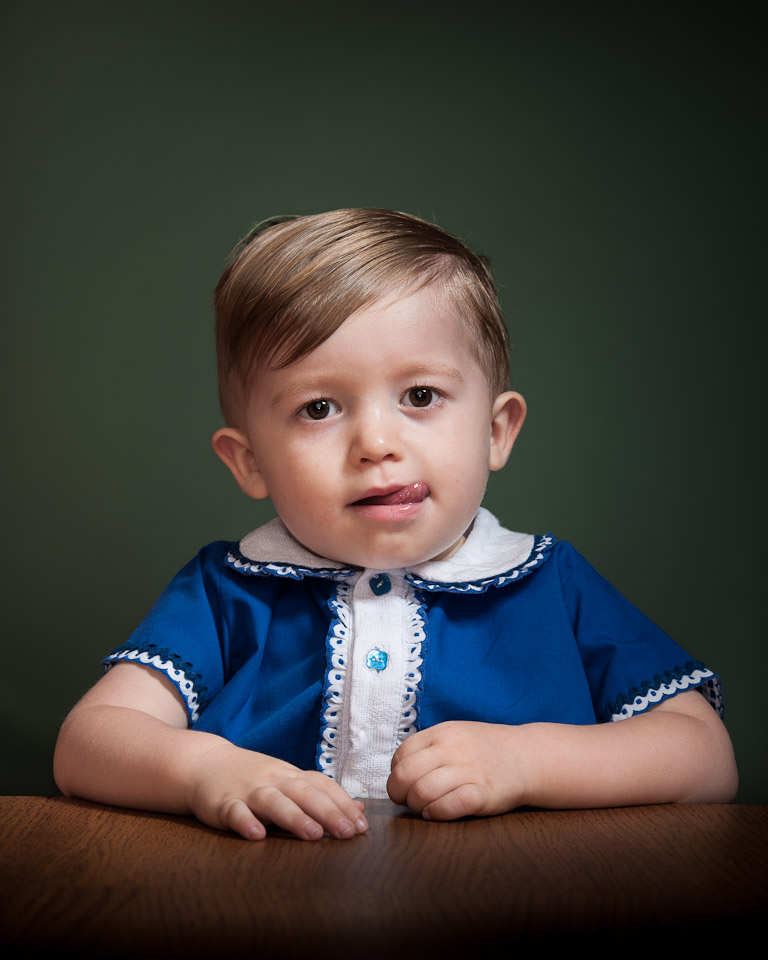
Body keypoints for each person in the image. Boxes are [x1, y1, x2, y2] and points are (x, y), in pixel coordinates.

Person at [53, 209, 738, 842]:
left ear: (496, 431)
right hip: (265, 906)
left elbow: (704, 758)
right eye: (319, 408)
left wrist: (527, 760)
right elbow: (89, 740)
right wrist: (208, 772)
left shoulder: (552, 583)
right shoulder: (226, 590)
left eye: (420, 396)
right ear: (250, 461)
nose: (376, 443)